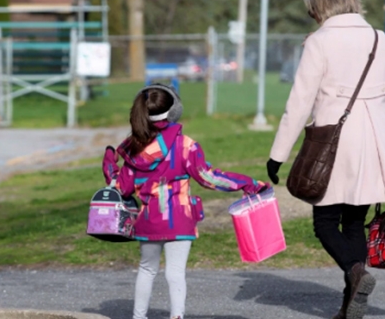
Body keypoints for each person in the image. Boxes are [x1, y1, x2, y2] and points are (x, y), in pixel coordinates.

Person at [266, 0, 385, 319]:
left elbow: (299, 102)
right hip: (376, 140)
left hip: (333, 142)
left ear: (318, 7)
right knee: (354, 223)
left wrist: (277, 155)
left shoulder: (319, 42)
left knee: (324, 222)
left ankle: (357, 273)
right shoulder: (379, 38)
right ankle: (349, 305)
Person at [102, 83, 269, 319]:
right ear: (172, 111)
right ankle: (177, 316)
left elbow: (122, 187)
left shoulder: (133, 148)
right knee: (175, 273)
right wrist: (249, 183)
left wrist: (109, 161)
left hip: (148, 222)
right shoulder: (185, 145)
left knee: (147, 269)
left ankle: (138, 317)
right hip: (179, 221)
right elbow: (209, 178)